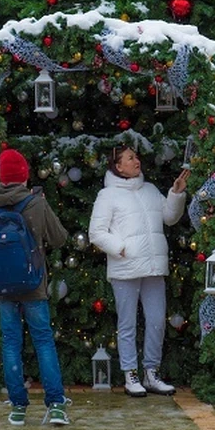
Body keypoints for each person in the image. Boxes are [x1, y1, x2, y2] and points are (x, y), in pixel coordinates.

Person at [88, 144, 189, 397]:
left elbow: (169, 218)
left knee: (156, 321)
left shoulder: (151, 190)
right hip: (126, 269)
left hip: (153, 267)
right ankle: (130, 374)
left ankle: (151, 373)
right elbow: (96, 233)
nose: (137, 161)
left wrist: (176, 194)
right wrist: (121, 248)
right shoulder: (107, 196)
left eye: (136, 157)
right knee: (128, 323)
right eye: (130, 158)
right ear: (118, 166)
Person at [0, 148, 70, 426]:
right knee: (43, 340)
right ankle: (55, 404)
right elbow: (59, 238)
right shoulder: (36, 203)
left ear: (1, 177)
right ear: (24, 176)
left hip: (3, 287)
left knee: (10, 342)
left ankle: (18, 407)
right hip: (33, 284)